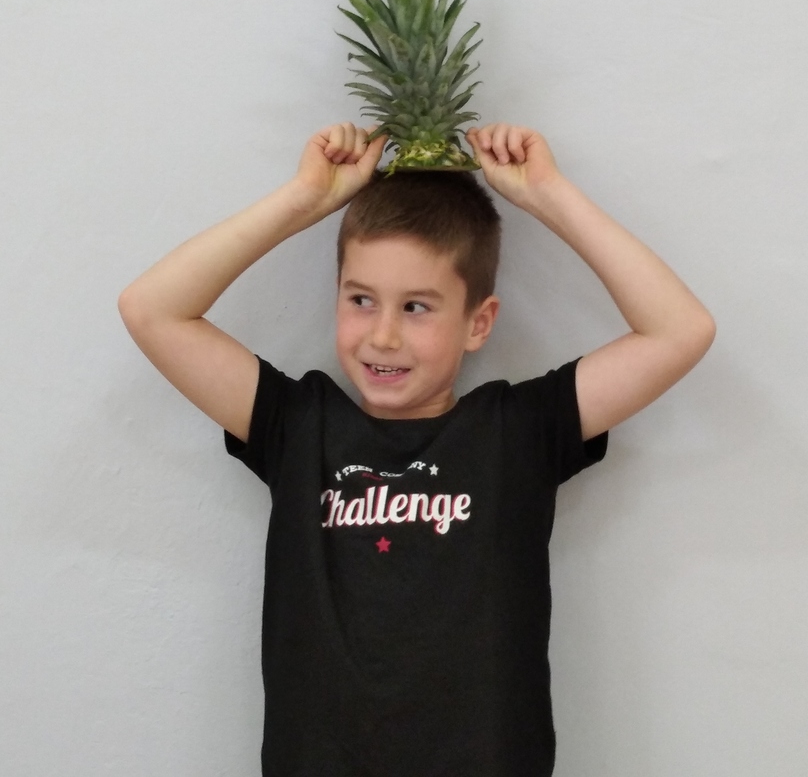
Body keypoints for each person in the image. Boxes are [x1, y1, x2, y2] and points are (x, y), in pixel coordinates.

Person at [118, 121, 715, 776]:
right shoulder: (298, 426)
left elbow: (679, 330)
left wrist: (547, 194)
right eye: (361, 299)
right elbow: (152, 309)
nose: (383, 336)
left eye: (417, 308)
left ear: (478, 323)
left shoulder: (517, 432)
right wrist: (304, 200)